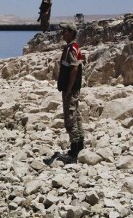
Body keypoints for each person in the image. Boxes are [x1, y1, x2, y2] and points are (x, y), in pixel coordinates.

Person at [55, 22, 85, 164]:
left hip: (70, 90)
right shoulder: (73, 47)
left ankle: (73, 153)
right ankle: (79, 147)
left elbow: (74, 69)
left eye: (65, 31)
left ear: (71, 33)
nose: (63, 33)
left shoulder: (71, 49)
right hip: (73, 89)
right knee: (76, 116)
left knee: (70, 118)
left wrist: (68, 89)